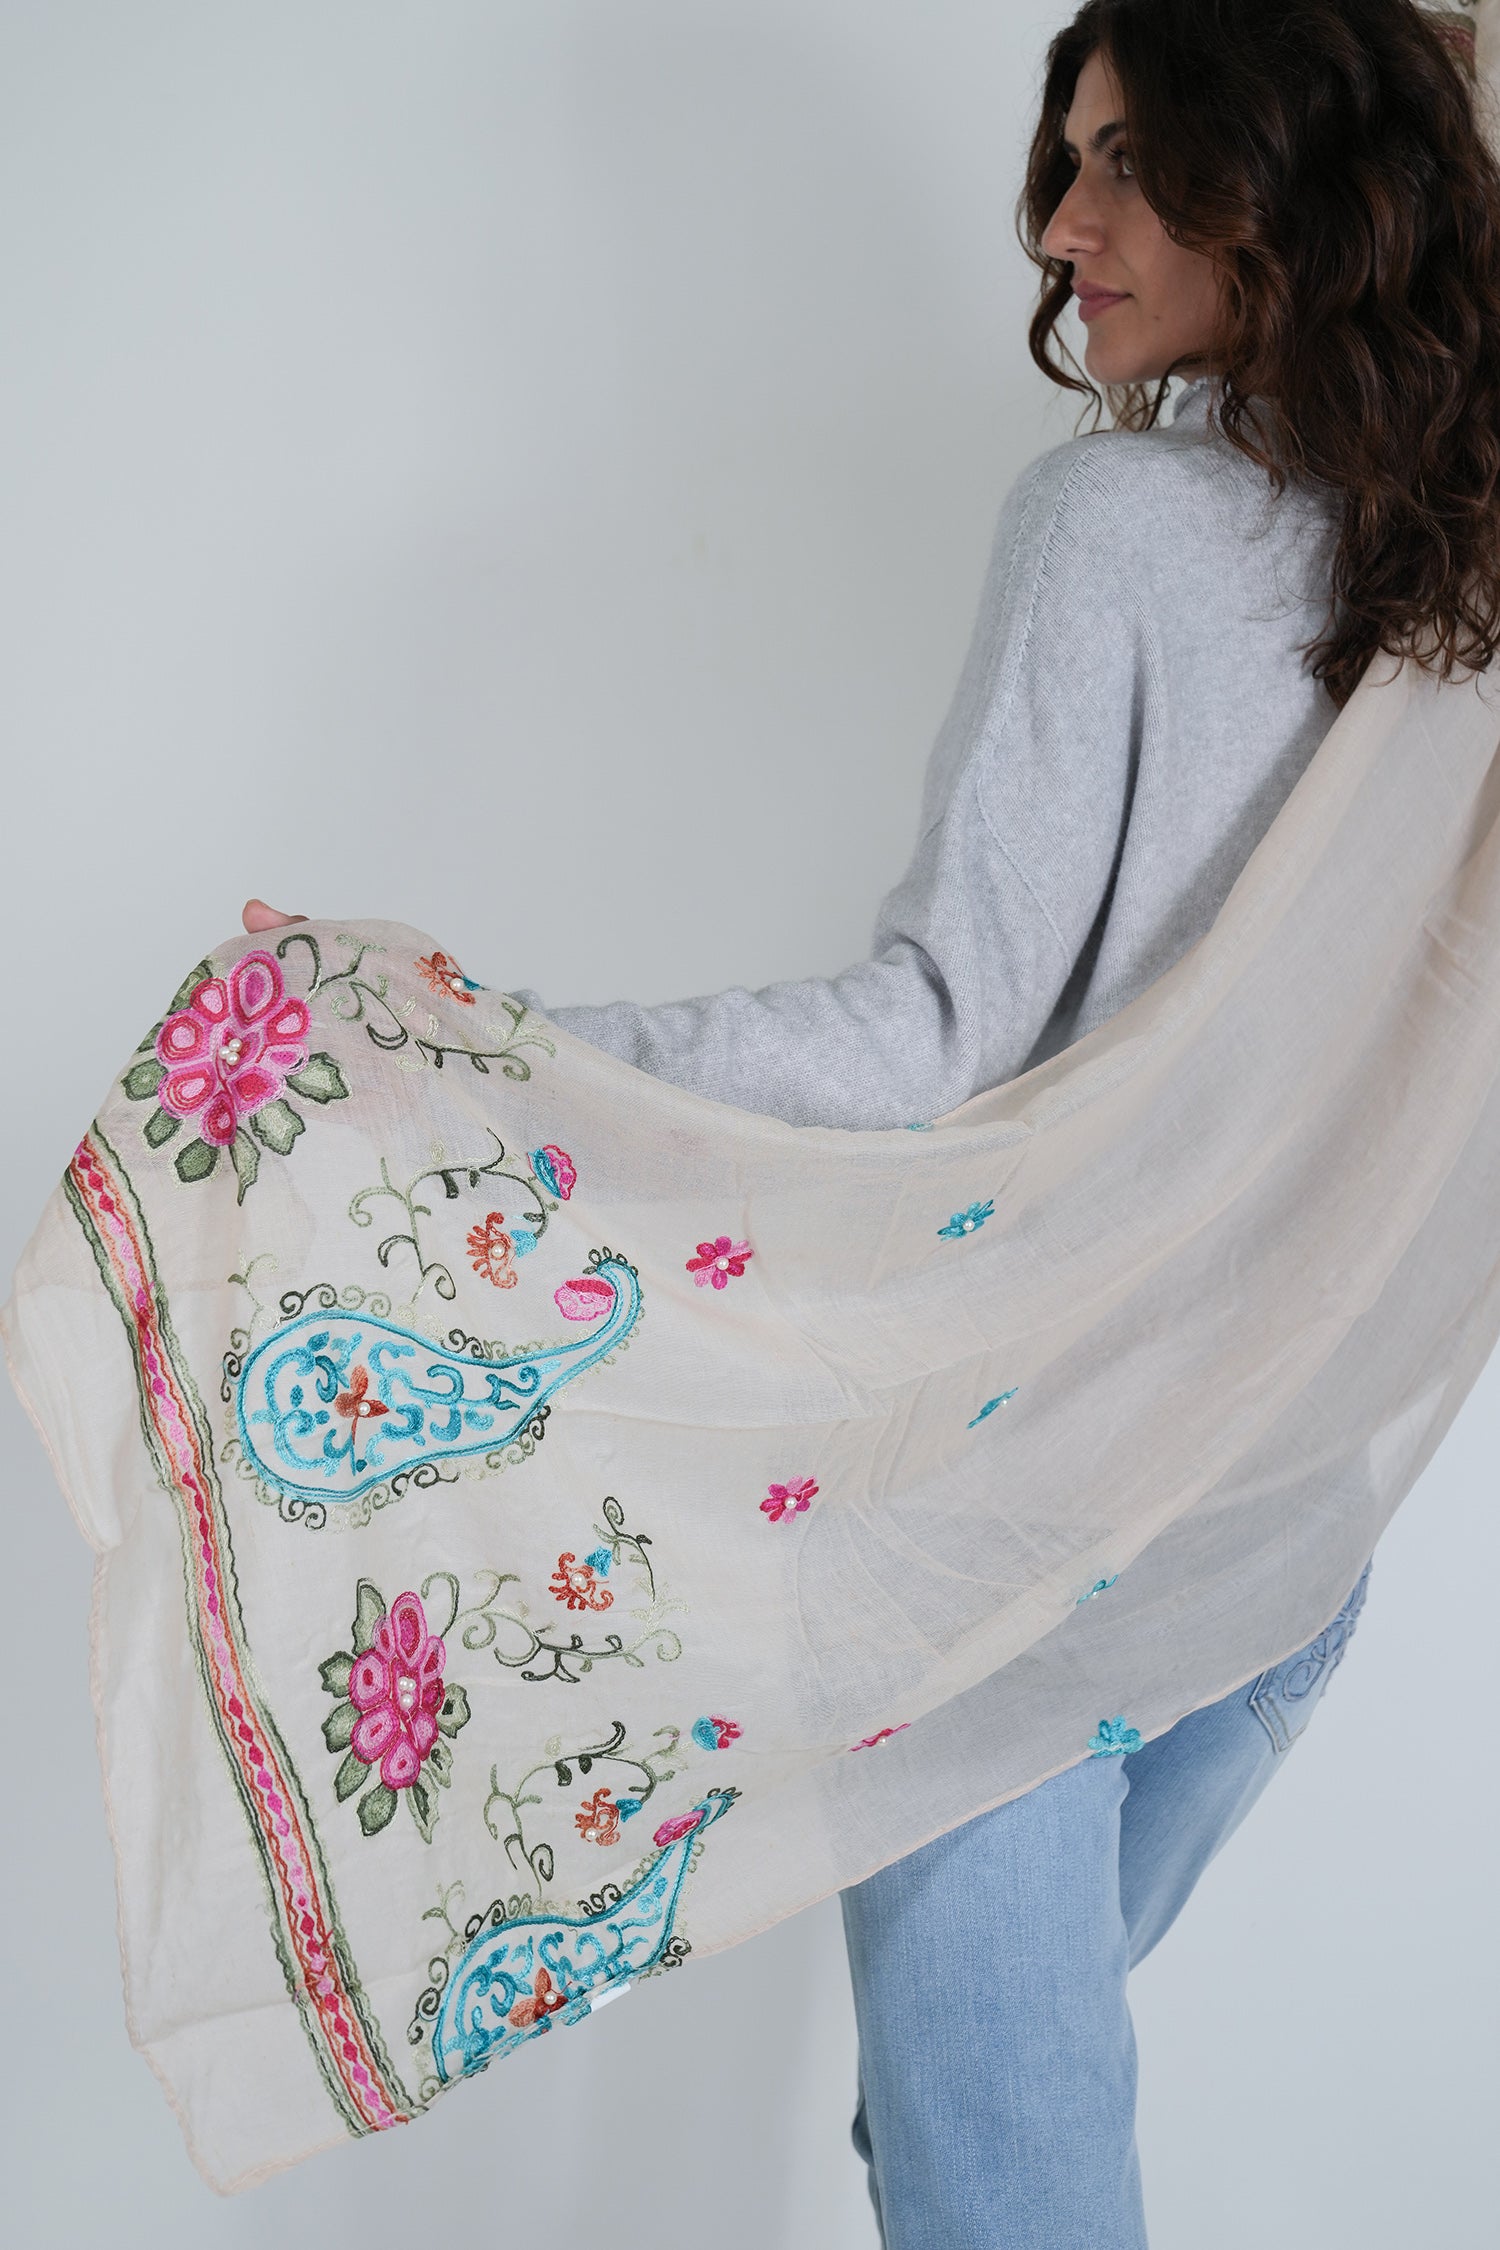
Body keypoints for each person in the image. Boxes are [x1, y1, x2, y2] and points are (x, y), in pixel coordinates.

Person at [242, 1, 1500, 2240]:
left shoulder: (1117, 522)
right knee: (992, 2130)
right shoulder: (1464, 598)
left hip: (1030, 1524)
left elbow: (930, 1035)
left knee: (999, 2170)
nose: (1060, 225)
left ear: (1280, 180)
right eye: (1066, 159)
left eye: (1127, 163)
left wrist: (475, 1046)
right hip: (1295, 1530)